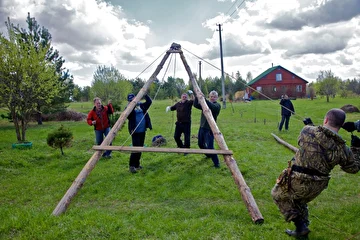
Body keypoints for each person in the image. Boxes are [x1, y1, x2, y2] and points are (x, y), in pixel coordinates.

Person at [271, 108, 360, 238]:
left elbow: (307, 140)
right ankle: (302, 231)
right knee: (299, 202)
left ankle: (301, 227)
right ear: (341, 125)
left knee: (277, 194)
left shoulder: (307, 131)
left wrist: (309, 125)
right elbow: (353, 169)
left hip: (299, 179)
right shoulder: (343, 149)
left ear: (326, 120)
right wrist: (356, 149)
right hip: (318, 185)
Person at [193, 90, 221, 168]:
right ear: (209, 97)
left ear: (217, 98)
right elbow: (195, 105)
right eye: (211, 96)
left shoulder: (217, 105)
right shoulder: (205, 104)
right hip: (202, 127)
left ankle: (217, 163)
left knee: (210, 146)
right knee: (200, 144)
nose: (212, 98)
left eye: (214, 97)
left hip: (210, 129)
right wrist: (197, 96)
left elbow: (212, 107)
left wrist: (203, 99)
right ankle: (208, 155)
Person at [126, 93, 152, 173]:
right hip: (135, 131)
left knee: (140, 148)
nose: (133, 101)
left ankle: (137, 164)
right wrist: (132, 104)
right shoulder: (128, 108)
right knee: (135, 148)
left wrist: (145, 94)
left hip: (142, 130)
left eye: (134, 99)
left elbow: (149, 102)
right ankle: (132, 166)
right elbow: (128, 115)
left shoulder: (141, 105)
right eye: (131, 100)